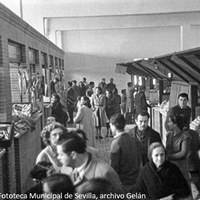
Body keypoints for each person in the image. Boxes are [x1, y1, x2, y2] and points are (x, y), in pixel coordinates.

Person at [56, 131, 124, 192]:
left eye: (61, 155)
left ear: (73, 155)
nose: (58, 158)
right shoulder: (67, 169)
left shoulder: (104, 173)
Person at [109, 114, 141, 192]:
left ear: (113, 126)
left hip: (123, 184)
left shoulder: (116, 144)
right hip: (136, 181)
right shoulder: (134, 140)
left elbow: (114, 166)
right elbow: (140, 160)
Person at [166, 115, 192, 189]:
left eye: (170, 122)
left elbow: (183, 153)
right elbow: (167, 149)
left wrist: (168, 156)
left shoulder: (185, 137)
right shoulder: (169, 135)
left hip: (180, 168)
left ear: (175, 124)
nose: (168, 124)